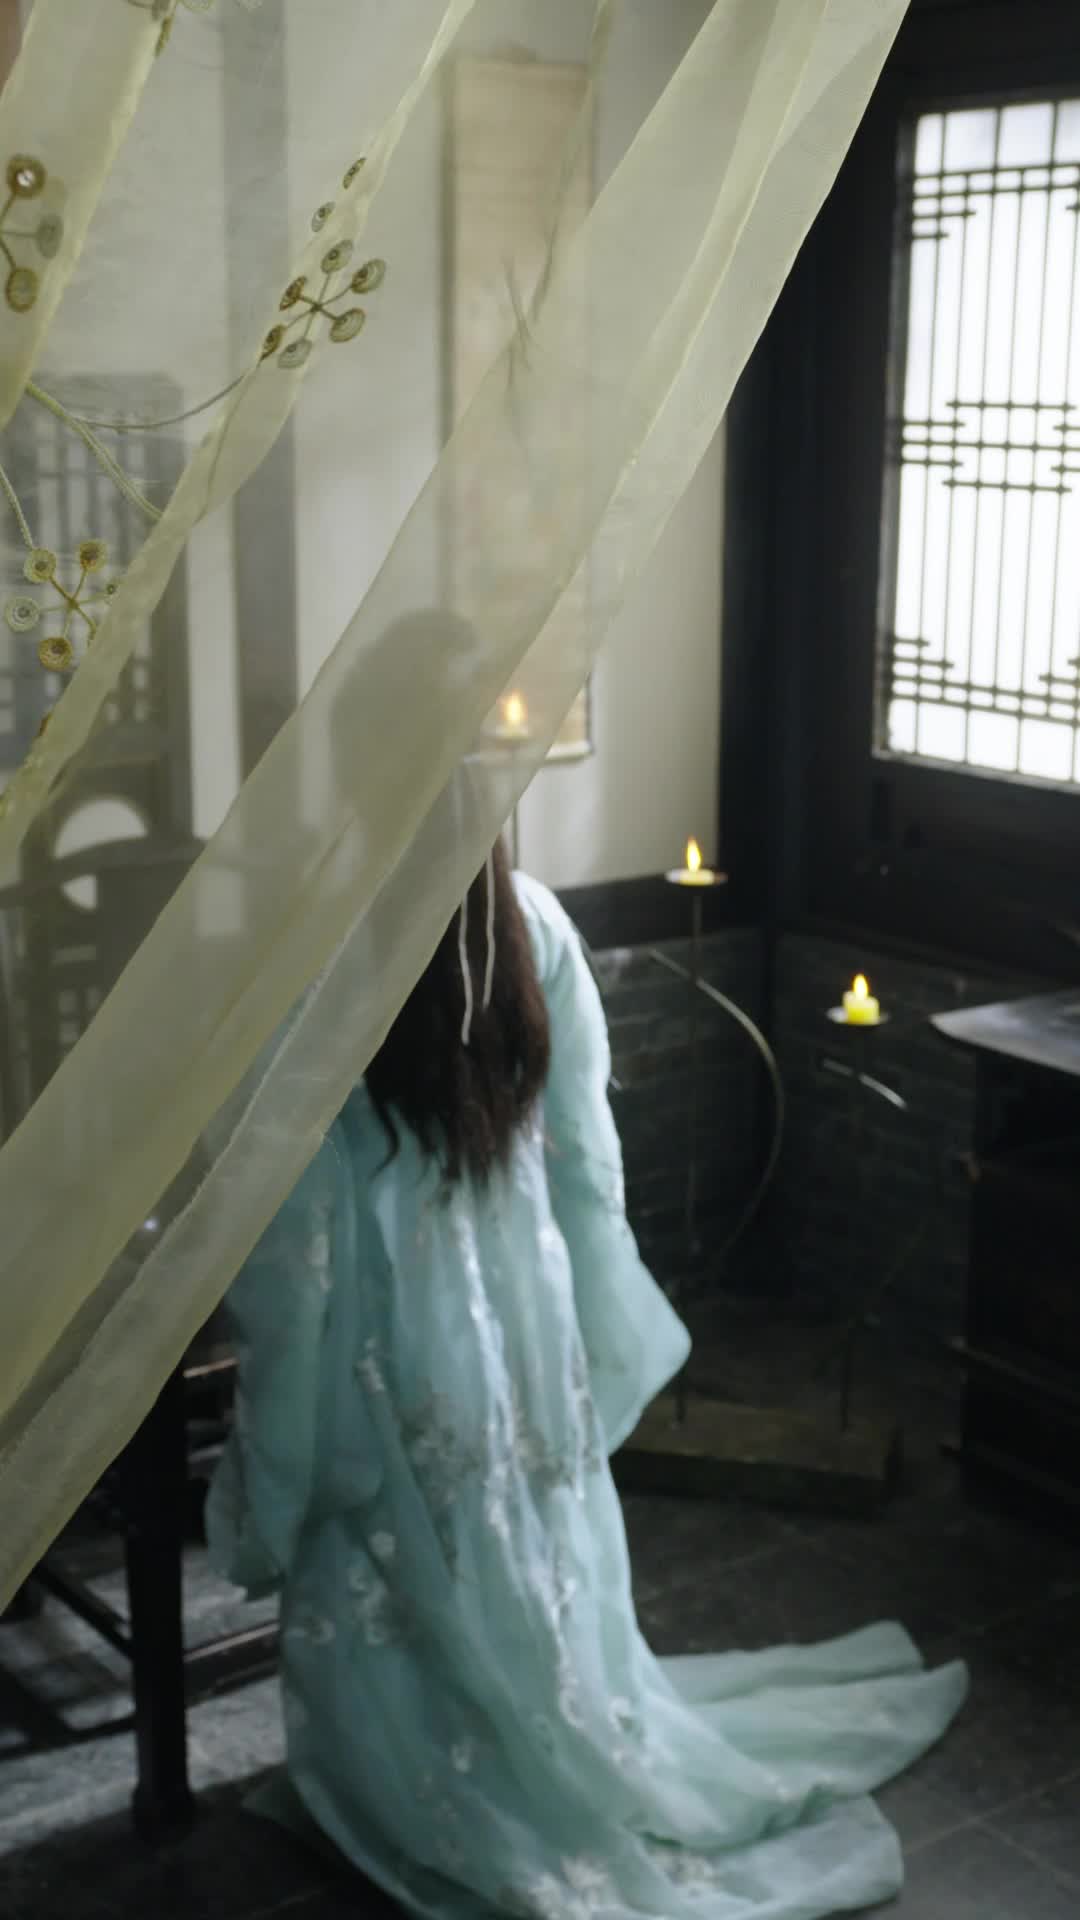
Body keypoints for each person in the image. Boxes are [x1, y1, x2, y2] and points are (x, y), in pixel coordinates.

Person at [207, 840, 967, 1920]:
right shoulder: (532, 923)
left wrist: (276, 1429)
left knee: (399, 1557)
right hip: (521, 1315)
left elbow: (291, 1244)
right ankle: (538, 1735)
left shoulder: (321, 954)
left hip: (389, 1340)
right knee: (525, 1541)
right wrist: (586, 1317)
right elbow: (588, 1155)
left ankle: (398, 1788)